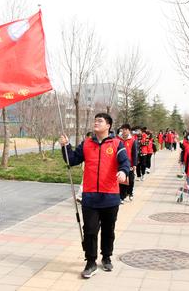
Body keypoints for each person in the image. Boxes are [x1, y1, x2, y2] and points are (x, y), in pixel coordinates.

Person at [60, 113, 130, 279]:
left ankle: (106, 257)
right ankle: (90, 262)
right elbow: (71, 160)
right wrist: (66, 146)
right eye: (95, 120)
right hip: (90, 197)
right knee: (90, 230)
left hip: (110, 196)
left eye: (100, 121)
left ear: (108, 126)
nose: (96, 123)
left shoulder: (117, 144)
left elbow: (125, 162)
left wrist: (122, 171)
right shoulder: (86, 144)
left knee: (108, 230)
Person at [118, 123, 138, 202]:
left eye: (126, 129)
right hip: (120, 163)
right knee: (122, 180)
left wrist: (134, 164)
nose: (124, 131)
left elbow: (135, 153)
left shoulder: (133, 140)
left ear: (129, 131)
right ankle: (121, 197)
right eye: (123, 129)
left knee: (131, 180)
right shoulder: (118, 139)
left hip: (130, 164)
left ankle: (130, 192)